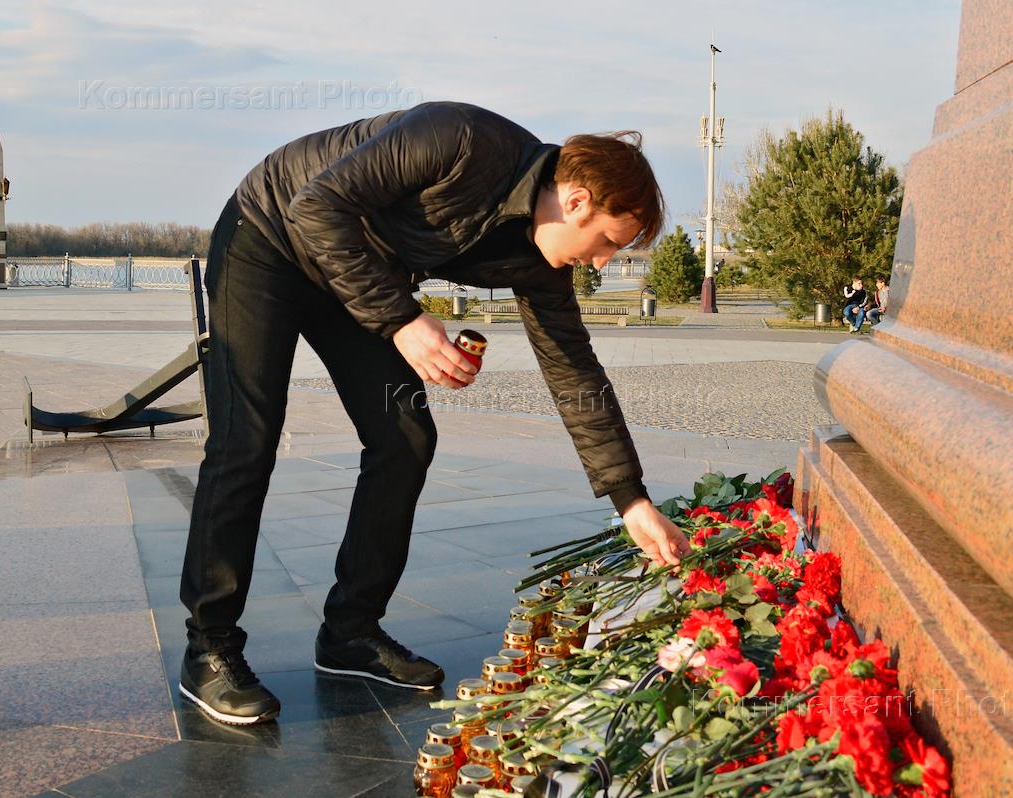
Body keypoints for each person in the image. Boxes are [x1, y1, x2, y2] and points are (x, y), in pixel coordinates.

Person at [178, 101, 692, 726]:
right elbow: (316, 207)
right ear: (577, 200)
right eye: (609, 241)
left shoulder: (542, 263)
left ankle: (350, 632)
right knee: (246, 439)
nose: (604, 262)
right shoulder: (461, 139)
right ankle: (209, 647)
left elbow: (573, 371)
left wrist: (630, 500)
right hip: (270, 236)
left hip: (355, 272)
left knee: (404, 437)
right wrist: (401, 320)